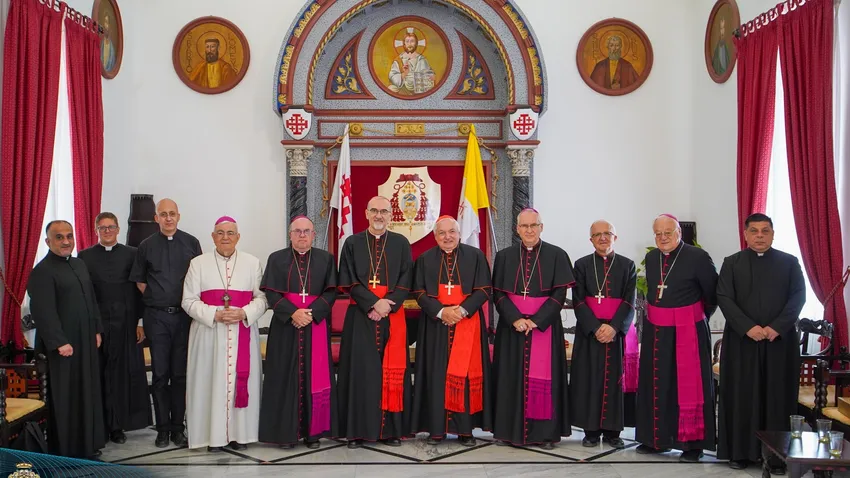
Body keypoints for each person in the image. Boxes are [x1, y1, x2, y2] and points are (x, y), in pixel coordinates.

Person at [717, 213, 805, 473]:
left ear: (773, 234)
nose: (759, 236)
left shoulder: (789, 263)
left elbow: (798, 297)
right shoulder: (731, 263)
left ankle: (777, 457)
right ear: (745, 234)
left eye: (765, 231)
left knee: (777, 399)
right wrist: (748, 327)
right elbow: (724, 297)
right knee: (741, 395)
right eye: (754, 231)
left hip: (780, 341)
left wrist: (776, 327)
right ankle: (739, 453)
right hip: (742, 342)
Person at [635, 214, 718, 463]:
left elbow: (712, 295)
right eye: (658, 233)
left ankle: (692, 445)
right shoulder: (652, 258)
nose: (663, 238)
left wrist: (691, 318)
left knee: (688, 387)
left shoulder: (698, 257)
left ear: (679, 233)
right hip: (656, 331)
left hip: (688, 330)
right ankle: (656, 440)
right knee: (656, 383)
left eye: (668, 232)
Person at [182, 216, 268, 451]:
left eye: (230, 233)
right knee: (209, 384)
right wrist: (215, 314)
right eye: (220, 233)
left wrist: (244, 313)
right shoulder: (198, 264)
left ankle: (241, 435)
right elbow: (188, 301)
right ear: (213, 237)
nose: (225, 237)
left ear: (238, 237)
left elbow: (262, 298)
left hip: (242, 333)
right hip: (209, 335)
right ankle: (212, 438)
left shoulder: (252, 263)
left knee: (241, 382)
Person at [491, 208, 573, 449]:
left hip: (544, 327)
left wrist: (537, 320)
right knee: (509, 378)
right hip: (512, 328)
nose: (529, 230)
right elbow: (498, 294)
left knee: (546, 380)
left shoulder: (557, 255)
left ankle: (545, 434)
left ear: (541, 227)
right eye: (524, 226)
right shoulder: (504, 256)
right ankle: (508, 431)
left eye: (533, 225)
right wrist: (515, 319)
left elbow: (559, 294)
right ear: (517, 229)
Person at [337, 196, 414, 449]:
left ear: (391, 215)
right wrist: (372, 304)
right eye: (374, 211)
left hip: (392, 316)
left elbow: (406, 280)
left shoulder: (401, 243)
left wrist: (386, 305)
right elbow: (348, 280)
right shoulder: (352, 243)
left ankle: (392, 431)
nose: (379, 215)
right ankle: (357, 431)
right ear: (366, 213)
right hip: (360, 316)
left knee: (392, 374)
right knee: (360, 373)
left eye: (384, 211)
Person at [27, 220, 106, 458]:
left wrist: (96, 330)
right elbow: (43, 312)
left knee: (87, 392)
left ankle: (88, 445)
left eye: (69, 236)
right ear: (48, 241)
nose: (66, 241)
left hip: (85, 340)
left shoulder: (79, 264)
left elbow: (91, 300)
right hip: (63, 347)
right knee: (67, 397)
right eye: (59, 237)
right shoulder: (42, 271)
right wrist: (59, 342)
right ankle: (68, 451)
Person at [412, 216, 492, 446]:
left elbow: (484, 289)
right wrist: (441, 312)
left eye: (452, 232)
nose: (447, 237)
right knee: (435, 375)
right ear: (435, 236)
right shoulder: (425, 259)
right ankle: (436, 430)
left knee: (465, 376)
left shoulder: (475, 256)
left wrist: (462, 311)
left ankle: (465, 430)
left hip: (467, 323)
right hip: (435, 325)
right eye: (442, 233)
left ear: (459, 234)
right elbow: (418, 292)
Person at [259, 216, 338, 449]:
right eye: (297, 231)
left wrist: (310, 313)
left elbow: (331, 292)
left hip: (315, 325)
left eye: (307, 231)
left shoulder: (326, 259)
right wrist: (293, 313)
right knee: (283, 378)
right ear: (290, 234)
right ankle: (285, 433)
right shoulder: (276, 259)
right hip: (286, 327)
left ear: (314, 235)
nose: (302, 235)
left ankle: (313, 434)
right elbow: (271, 293)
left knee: (315, 377)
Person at [130, 198, 202, 448]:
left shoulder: (191, 243)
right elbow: (140, 281)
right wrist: (158, 298)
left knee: (180, 375)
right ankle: (162, 429)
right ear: (156, 218)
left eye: (172, 213)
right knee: (160, 375)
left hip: (184, 317)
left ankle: (178, 429)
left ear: (178, 216)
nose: (168, 218)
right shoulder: (146, 246)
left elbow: (200, 278)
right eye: (163, 214)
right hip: (157, 318)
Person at [79, 212, 151, 445]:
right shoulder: (84, 257)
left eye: (111, 227)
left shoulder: (132, 254)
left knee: (123, 376)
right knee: (100, 375)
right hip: (98, 328)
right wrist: (92, 327)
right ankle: (101, 425)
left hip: (127, 325)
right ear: (96, 231)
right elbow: (85, 295)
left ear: (118, 229)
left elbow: (139, 290)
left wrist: (140, 323)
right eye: (102, 227)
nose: (107, 231)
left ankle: (119, 425)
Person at [570, 220, 637, 449]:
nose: (602, 238)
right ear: (591, 240)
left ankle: (612, 432)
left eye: (607, 233)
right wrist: (596, 327)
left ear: (615, 237)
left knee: (616, 381)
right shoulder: (581, 265)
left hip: (616, 334)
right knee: (589, 380)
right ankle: (590, 431)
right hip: (590, 333)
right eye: (597, 235)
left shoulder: (627, 265)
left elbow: (630, 301)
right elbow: (578, 300)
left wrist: (614, 327)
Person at [389, 28, 435, 95]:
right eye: (407, 41)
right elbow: (392, 76)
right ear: (404, 43)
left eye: (412, 41)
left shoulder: (421, 59)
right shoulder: (399, 60)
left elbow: (430, 76)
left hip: (419, 88)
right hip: (403, 88)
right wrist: (404, 74)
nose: (409, 44)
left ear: (416, 43)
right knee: (391, 88)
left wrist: (430, 76)